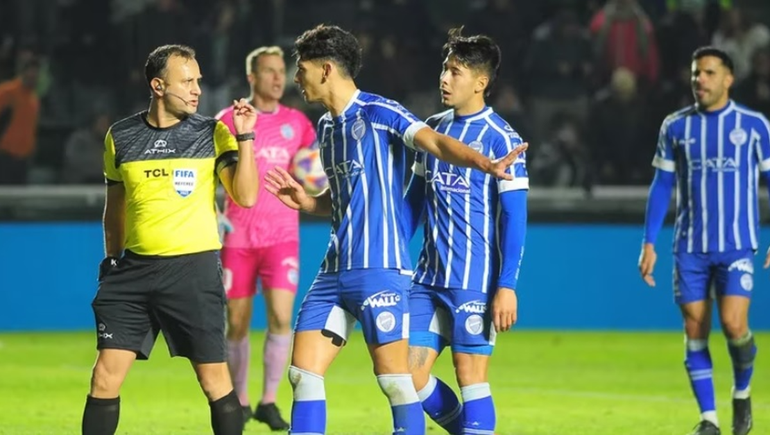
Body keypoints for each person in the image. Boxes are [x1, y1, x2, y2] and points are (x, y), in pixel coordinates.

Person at [263, 24, 526, 435]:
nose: (295, 78)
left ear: (326, 69)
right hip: (340, 269)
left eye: (301, 68)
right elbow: (358, 200)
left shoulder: (383, 113)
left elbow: (437, 145)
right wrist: (309, 202)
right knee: (305, 374)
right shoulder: (328, 129)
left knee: (401, 379)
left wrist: (484, 164)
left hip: (397, 273)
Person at [81, 44, 259, 435]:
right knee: (104, 379)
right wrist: (112, 258)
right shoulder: (120, 136)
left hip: (192, 272)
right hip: (132, 274)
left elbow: (245, 196)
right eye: (188, 81)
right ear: (158, 85)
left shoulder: (213, 133)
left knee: (214, 382)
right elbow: (115, 207)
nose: (197, 89)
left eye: (198, 81)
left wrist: (246, 139)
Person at [402, 27, 527, 435]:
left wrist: (506, 285)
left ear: (481, 82)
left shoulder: (501, 139)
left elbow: (514, 218)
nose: (444, 78)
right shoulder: (432, 129)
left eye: (455, 71)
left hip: (473, 280)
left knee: (469, 374)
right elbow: (414, 201)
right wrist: (394, 250)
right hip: (427, 278)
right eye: (444, 68)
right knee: (407, 375)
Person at [639, 46, 766, 435]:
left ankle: (742, 392)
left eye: (709, 73)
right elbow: (661, 186)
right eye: (696, 73)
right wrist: (649, 242)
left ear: (728, 78)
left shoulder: (754, 125)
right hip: (690, 246)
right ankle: (709, 419)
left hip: (736, 243)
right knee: (695, 331)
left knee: (732, 324)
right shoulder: (676, 126)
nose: (700, 80)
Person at [214, 45, 317, 430]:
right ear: (252, 78)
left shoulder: (299, 124)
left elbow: (311, 174)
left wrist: (316, 180)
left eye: (281, 71)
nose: (278, 78)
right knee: (236, 324)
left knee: (279, 318)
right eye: (270, 71)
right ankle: (240, 401)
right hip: (237, 238)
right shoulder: (229, 120)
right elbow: (211, 172)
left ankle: (268, 401)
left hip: (281, 238)